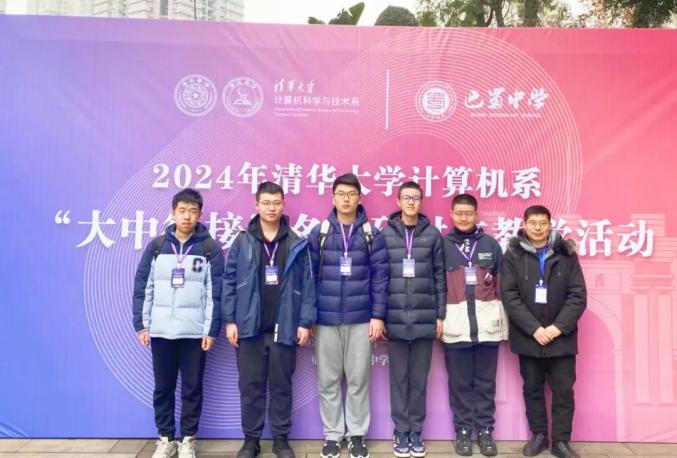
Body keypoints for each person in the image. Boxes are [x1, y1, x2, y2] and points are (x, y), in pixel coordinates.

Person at [222, 181, 316, 458]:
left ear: (283, 205)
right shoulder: (242, 241)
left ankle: (280, 439)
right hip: (249, 327)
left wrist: (305, 322)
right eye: (266, 203)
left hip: (284, 327)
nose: (271, 208)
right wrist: (230, 320)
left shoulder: (297, 242)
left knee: (281, 385)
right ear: (257, 205)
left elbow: (309, 284)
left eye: (276, 203)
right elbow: (229, 281)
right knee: (250, 386)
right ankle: (251, 440)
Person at [132, 188, 224, 458]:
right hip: (161, 331)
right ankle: (166, 439)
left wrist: (210, 330)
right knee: (163, 388)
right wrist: (142, 324)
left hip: (194, 332)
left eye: (192, 211)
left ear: (200, 214)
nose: (187, 216)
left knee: (192, 388)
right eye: (182, 211)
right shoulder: (157, 247)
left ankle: (187, 440)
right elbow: (143, 287)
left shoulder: (209, 248)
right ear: (172, 213)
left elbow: (215, 293)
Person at [307, 173, 389, 458]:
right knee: (328, 381)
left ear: (359, 198)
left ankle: (356, 435)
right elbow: (309, 278)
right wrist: (310, 317)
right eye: (341, 194)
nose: (346, 199)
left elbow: (380, 277)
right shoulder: (319, 233)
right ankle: (332, 435)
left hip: (361, 319)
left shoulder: (372, 234)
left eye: (351, 194)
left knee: (358, 380)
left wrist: (378, 315)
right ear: (332, 198)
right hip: (326, 320)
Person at [500, 205, 587, 458]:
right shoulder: (513, 255)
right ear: (524, 225)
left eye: (543, 223)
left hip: (561, 337)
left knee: (563, 391)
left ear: (550, 225)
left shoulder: (566, 254)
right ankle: (539, 436)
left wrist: (557, 328)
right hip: (529, 336)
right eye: (533, 223)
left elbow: (578, 295)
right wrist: (534, 328)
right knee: (532, 389)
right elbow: (509, 296)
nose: (538, 228)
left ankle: (561, 441)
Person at [381, 181, 446, 458]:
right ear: (398, 201)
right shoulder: (385, 235)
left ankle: (416, 430)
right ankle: (401, 430)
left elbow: (440, 277)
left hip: (424, 317)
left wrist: (440, 314)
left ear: (421, 202)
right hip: (394, 318)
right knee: (398, 379)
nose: (411, 202)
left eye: (416, 198)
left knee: (419, 380)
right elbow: (380, 278)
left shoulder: (433, 235)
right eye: (406, 197)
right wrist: (380, 316)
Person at [441, 194, 507, 457]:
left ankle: (485, 430)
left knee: (485, 384)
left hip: (487, 327)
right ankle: (463, 431)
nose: (464, 217)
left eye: (469, 213)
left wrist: (503, 325)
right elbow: (437, 285)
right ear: (451, 214)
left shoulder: (491, 244)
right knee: (459, 384)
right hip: (455, 327)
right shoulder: (443, 245)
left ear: (477, 214)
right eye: (459, 213)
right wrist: (439, 318)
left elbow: (502, 288)